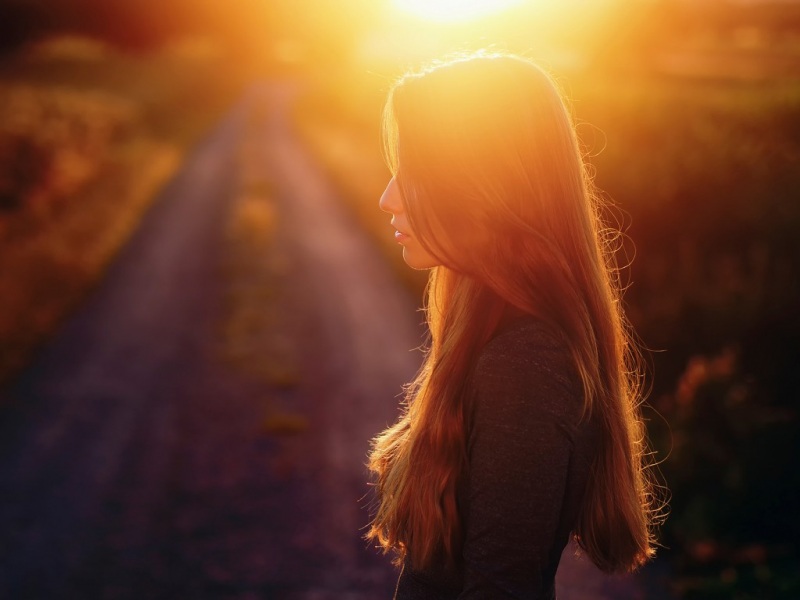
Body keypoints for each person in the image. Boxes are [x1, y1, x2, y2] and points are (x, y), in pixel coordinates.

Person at [367, 52, 664, 599]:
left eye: (414, 173)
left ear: (483, 185)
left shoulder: (526, 364)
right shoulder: (489, 332)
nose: (388, 198)